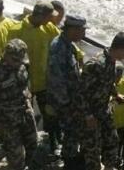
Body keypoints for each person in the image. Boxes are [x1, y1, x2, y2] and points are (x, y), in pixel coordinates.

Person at [76, 31, 124, 170]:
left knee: (112, 142)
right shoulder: (96, 63)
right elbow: (80, 92)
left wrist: (116, 94)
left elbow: (107, 83)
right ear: (121, 48)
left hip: (104, 110)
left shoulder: (112, 62)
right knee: (93, 150)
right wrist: (88, 115)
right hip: (91, 113)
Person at [7, 1, 61, 152]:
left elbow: (62, 40)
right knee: (25, 117)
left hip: (45, 82)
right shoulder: (16, 30)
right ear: (40, 16)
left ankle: (53, 142)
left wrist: (79, 54)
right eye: (49, 17)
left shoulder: (48, 28)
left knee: (50, 114)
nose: (52, 20)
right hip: (25, 85)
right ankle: (26, 147)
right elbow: (9, 60)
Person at [0, 39, 37, 170]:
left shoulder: (22, 65)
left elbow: (25, 85)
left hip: (25, 113)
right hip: (7, 120)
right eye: (14, 59)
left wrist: (29, 104)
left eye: (20, 59)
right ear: (5, 54)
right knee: (16, 156)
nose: (18, 63)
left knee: (33, 143)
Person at [46, 15, 88, 169]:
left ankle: (70, 157)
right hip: (65, 101)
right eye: (82, 31)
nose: (83, 34)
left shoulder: (68, 45)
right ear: (72, 29)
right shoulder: (59, 47)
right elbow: (56, 80)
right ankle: (69, 161)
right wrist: (67, 104)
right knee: (70, 130)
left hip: (70, 99)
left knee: (73, 132)